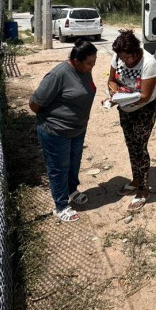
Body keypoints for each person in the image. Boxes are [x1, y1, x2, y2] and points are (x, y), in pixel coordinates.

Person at [29, 38, 98, 222]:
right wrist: (56, 118)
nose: (92, 66)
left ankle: (72, 190)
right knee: (58, 168)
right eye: (89, 63)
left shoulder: (84, 71)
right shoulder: (58, 74)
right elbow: (34, 104)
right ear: (76, 61)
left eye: (94, 62)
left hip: (77, 130)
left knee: (73, 163)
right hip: (55, 132)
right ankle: (61, 205)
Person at [106, 29, 156, 211]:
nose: (124, 62)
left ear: (136, 52)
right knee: (130, 143)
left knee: (140, 145)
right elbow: (112, 80)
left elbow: (144, 96)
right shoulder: (118, 58)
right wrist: (113, 93)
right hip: (124, 107)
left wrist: (120, 97)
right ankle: (136, 179)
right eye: (121, 58)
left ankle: (144, 190)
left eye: (127, 58)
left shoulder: (149, 63)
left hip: (144, 108)